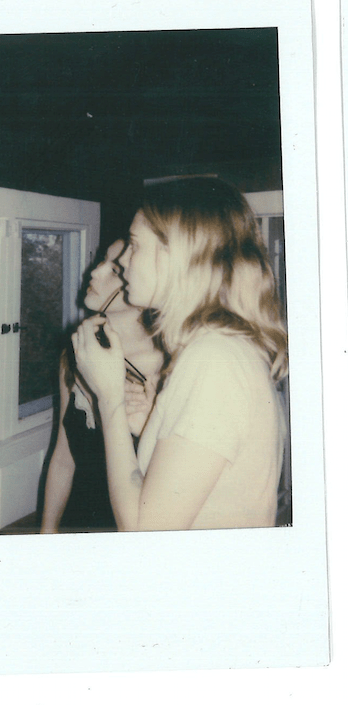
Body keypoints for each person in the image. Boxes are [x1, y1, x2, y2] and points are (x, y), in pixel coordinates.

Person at [71, 177, 288, 532]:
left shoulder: (214, 361)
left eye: (134, 245)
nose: (123, 261)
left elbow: (145, 532)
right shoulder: (214, 349)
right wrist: (153, 425)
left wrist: (109, 398)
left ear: (178, 255)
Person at [40, 239, 164, 533]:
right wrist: (47, 530)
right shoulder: (78, 355)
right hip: (78, 524)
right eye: (101, 261)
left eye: (115, 269)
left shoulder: (168, 369)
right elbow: (63, 457)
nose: (94, 273)